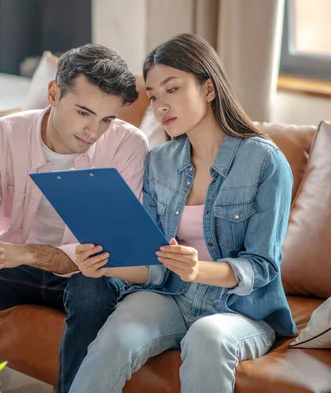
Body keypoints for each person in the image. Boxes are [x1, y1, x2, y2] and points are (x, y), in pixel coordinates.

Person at [69, 33, 296, 393]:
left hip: (240, 309)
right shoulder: (159, 162)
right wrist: (103, 263)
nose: (160, 107)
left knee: (208, 336)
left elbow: (263, 266)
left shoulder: (265, 161)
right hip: (171, 296)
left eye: (172, 89)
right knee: (115, 338)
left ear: (208, 88)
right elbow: (154, 261)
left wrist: (198, 269)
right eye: (154, 96)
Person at [0, 43, 149, 392]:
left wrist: (22, 253)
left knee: (94, 287)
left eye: (106, 119)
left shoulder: (128, 146)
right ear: (53, 93)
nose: (92, 131)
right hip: (15, 270)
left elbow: (110, 252)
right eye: (84, 112)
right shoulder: (3, 135)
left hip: (81, 274)